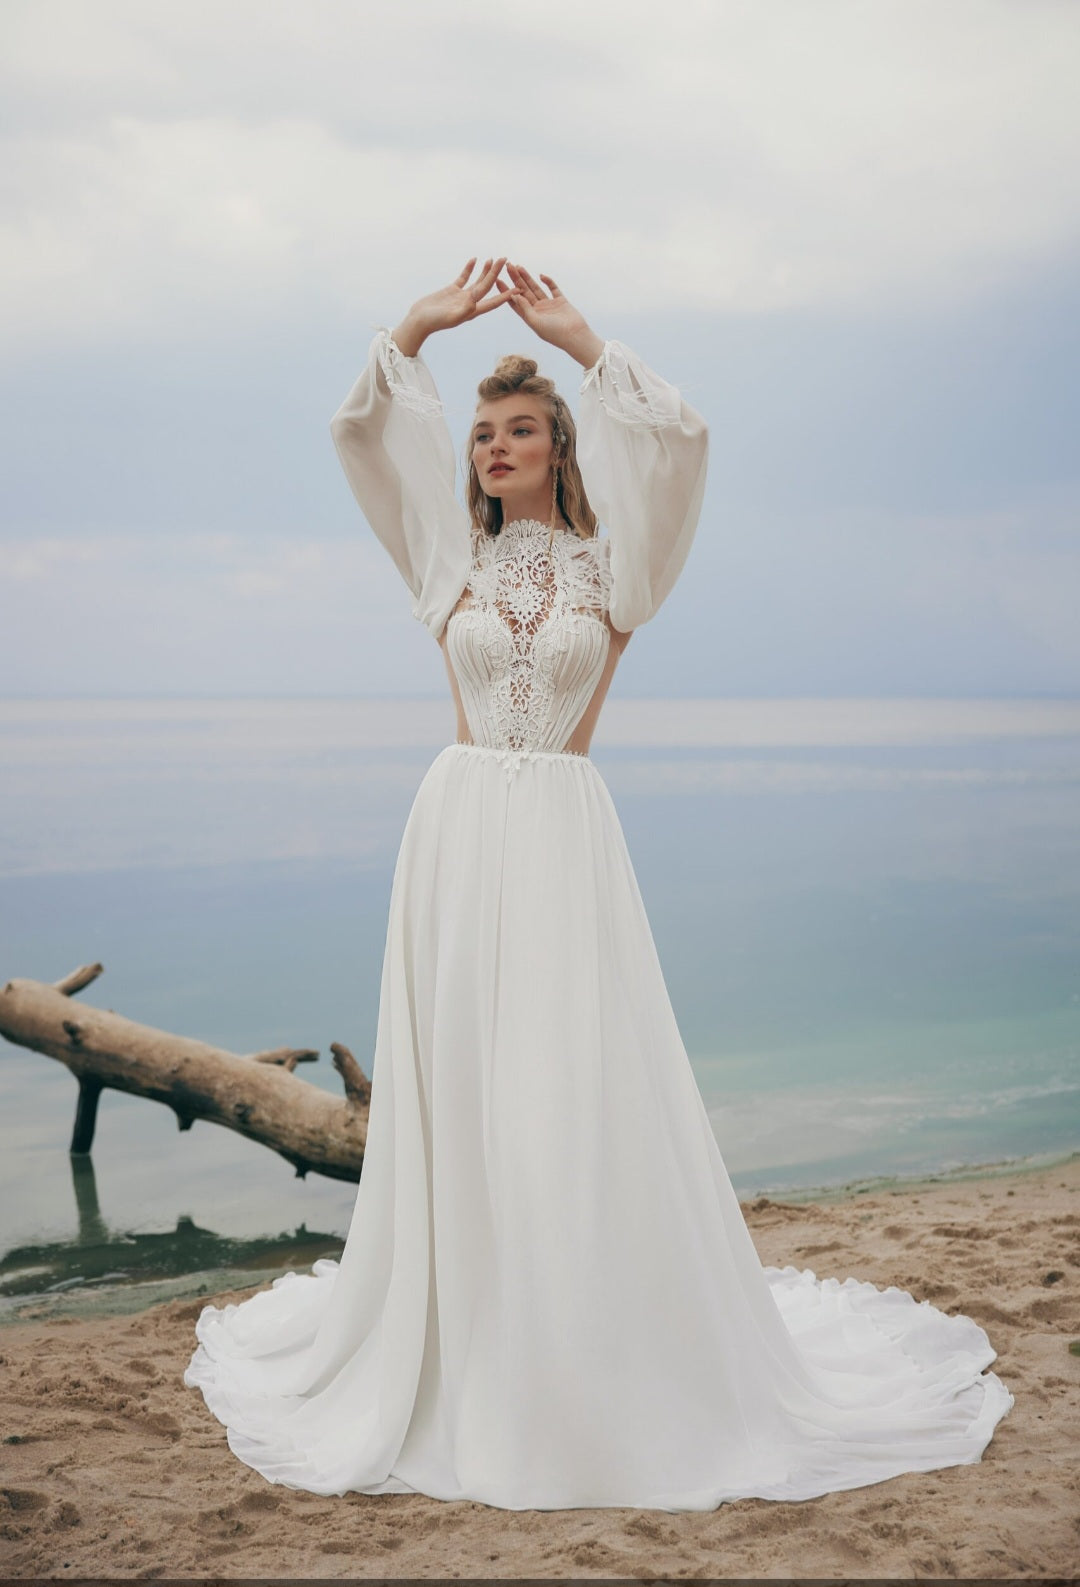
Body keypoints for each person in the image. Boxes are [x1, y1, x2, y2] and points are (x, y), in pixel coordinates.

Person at [184, 258, 1013, 1511]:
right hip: (457, 835)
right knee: (467, 1091)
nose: (496, 446)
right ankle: (469, 1338)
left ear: (560, 449)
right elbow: (359, 428)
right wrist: (417, 325)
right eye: (481, 433)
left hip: (566, 842)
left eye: (520, 430)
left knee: (565, 1091)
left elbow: (681, 441)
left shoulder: (617, 572)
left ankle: (584, 1343)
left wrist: (579, 344)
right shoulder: (443, 554)